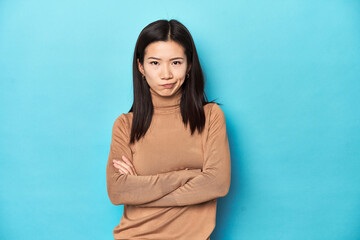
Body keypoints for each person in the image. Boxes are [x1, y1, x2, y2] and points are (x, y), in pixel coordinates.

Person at [106, 19, 231, 240]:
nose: (166, 74)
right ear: (141, 67)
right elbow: (118, 192)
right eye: (155, 63)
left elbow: (217, 184)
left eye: (176, 62)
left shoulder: (210, 116)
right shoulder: (126, 124)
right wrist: (189, 176)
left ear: (189, 65)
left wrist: (143, 192)